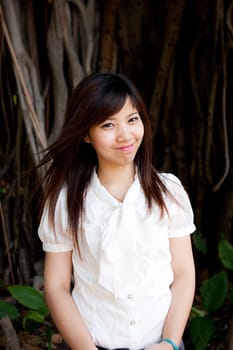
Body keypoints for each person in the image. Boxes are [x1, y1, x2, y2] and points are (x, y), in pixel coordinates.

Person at [38, 72, 196, 350]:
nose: (125, 135)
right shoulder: (65, 203)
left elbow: (183, 273)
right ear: (86, 134)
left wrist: (170, 343)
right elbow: (56, 286)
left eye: (132, 119)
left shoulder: (168, 192)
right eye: (108, 124)